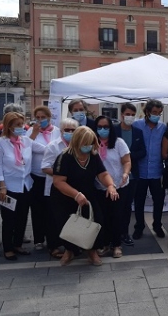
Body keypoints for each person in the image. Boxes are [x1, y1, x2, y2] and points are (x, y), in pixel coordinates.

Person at [51, 126, 118, 266]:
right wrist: (76, 195)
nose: (88, 146)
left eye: (91, 143)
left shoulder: (93, 155)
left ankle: (92, 251)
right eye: (85, 143)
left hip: (88, 194)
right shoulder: (64, 157)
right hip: (66, 195)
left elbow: (103, 174)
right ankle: (69, 251)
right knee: (68, 224)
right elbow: (58, 181)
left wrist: (110, 185)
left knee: (95, 221)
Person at [0, 112, 45, 260]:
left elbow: (45, 149)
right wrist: (1, 186)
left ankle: (17, 244)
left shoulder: (26, 141)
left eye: (22, 124)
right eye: (17, 125)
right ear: (9, 126)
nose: (21, 127)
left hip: (25, 185)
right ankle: (8, 247)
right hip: (8, 187)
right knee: (9, 218)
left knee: (22, 217)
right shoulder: (0, 143)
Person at [41, 118, 79, 259]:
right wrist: (63, 174)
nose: (69, 132)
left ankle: (72, 246)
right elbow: (45, 167)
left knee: (72, 218)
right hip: (55, 188)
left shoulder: (79, 145)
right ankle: (54, 246)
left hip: (73, 189)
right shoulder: (53, 146)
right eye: (66, 130)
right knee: (54, 219)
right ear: (61, 131)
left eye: (72, 130)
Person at [94, 116, 131, 259]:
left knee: (116, 216)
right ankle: (104, 243)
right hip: (99, 186)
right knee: (102, 217)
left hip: (118, 185)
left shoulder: (118, 143)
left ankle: (117, 245)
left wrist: (125, 173)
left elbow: (127, 161)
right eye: (99, 127)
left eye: (106, 127)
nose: (102, 130)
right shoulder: (92, 143)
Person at [26, 106, 61, 250]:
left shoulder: (58, 131)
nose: (40, 120)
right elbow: (26, 146)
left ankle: (52, 237)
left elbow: (59, 148)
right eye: (37, 117)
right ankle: (38, 239)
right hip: (36, 175)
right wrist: (34, 134)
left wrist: (40, 147)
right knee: (37, 208)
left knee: (51, 208)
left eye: (43, 117)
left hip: (52, 175)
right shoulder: (31, 131)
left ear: (49, 117)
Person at [133, 100, 167, 239]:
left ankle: (157, 225)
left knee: (158, 200)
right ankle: (139, 226)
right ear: (147, 112)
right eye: (154, 112)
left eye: (159, 113)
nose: (157, 115)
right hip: (140, 171)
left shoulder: (163, 127)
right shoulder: (137, 125)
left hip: (156, 171)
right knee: (139, 200)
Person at [113, 103, 146, 246]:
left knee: (127, 207)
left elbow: (143, 151)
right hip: (115, 175)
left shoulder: (138, 132)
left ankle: (124, 233)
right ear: (122, 115)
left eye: (133, 115)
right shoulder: (114, 131)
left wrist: (128, 156)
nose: (130, 117)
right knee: (115, 207)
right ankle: (114, 233)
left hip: (132, 176)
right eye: (128, 114)